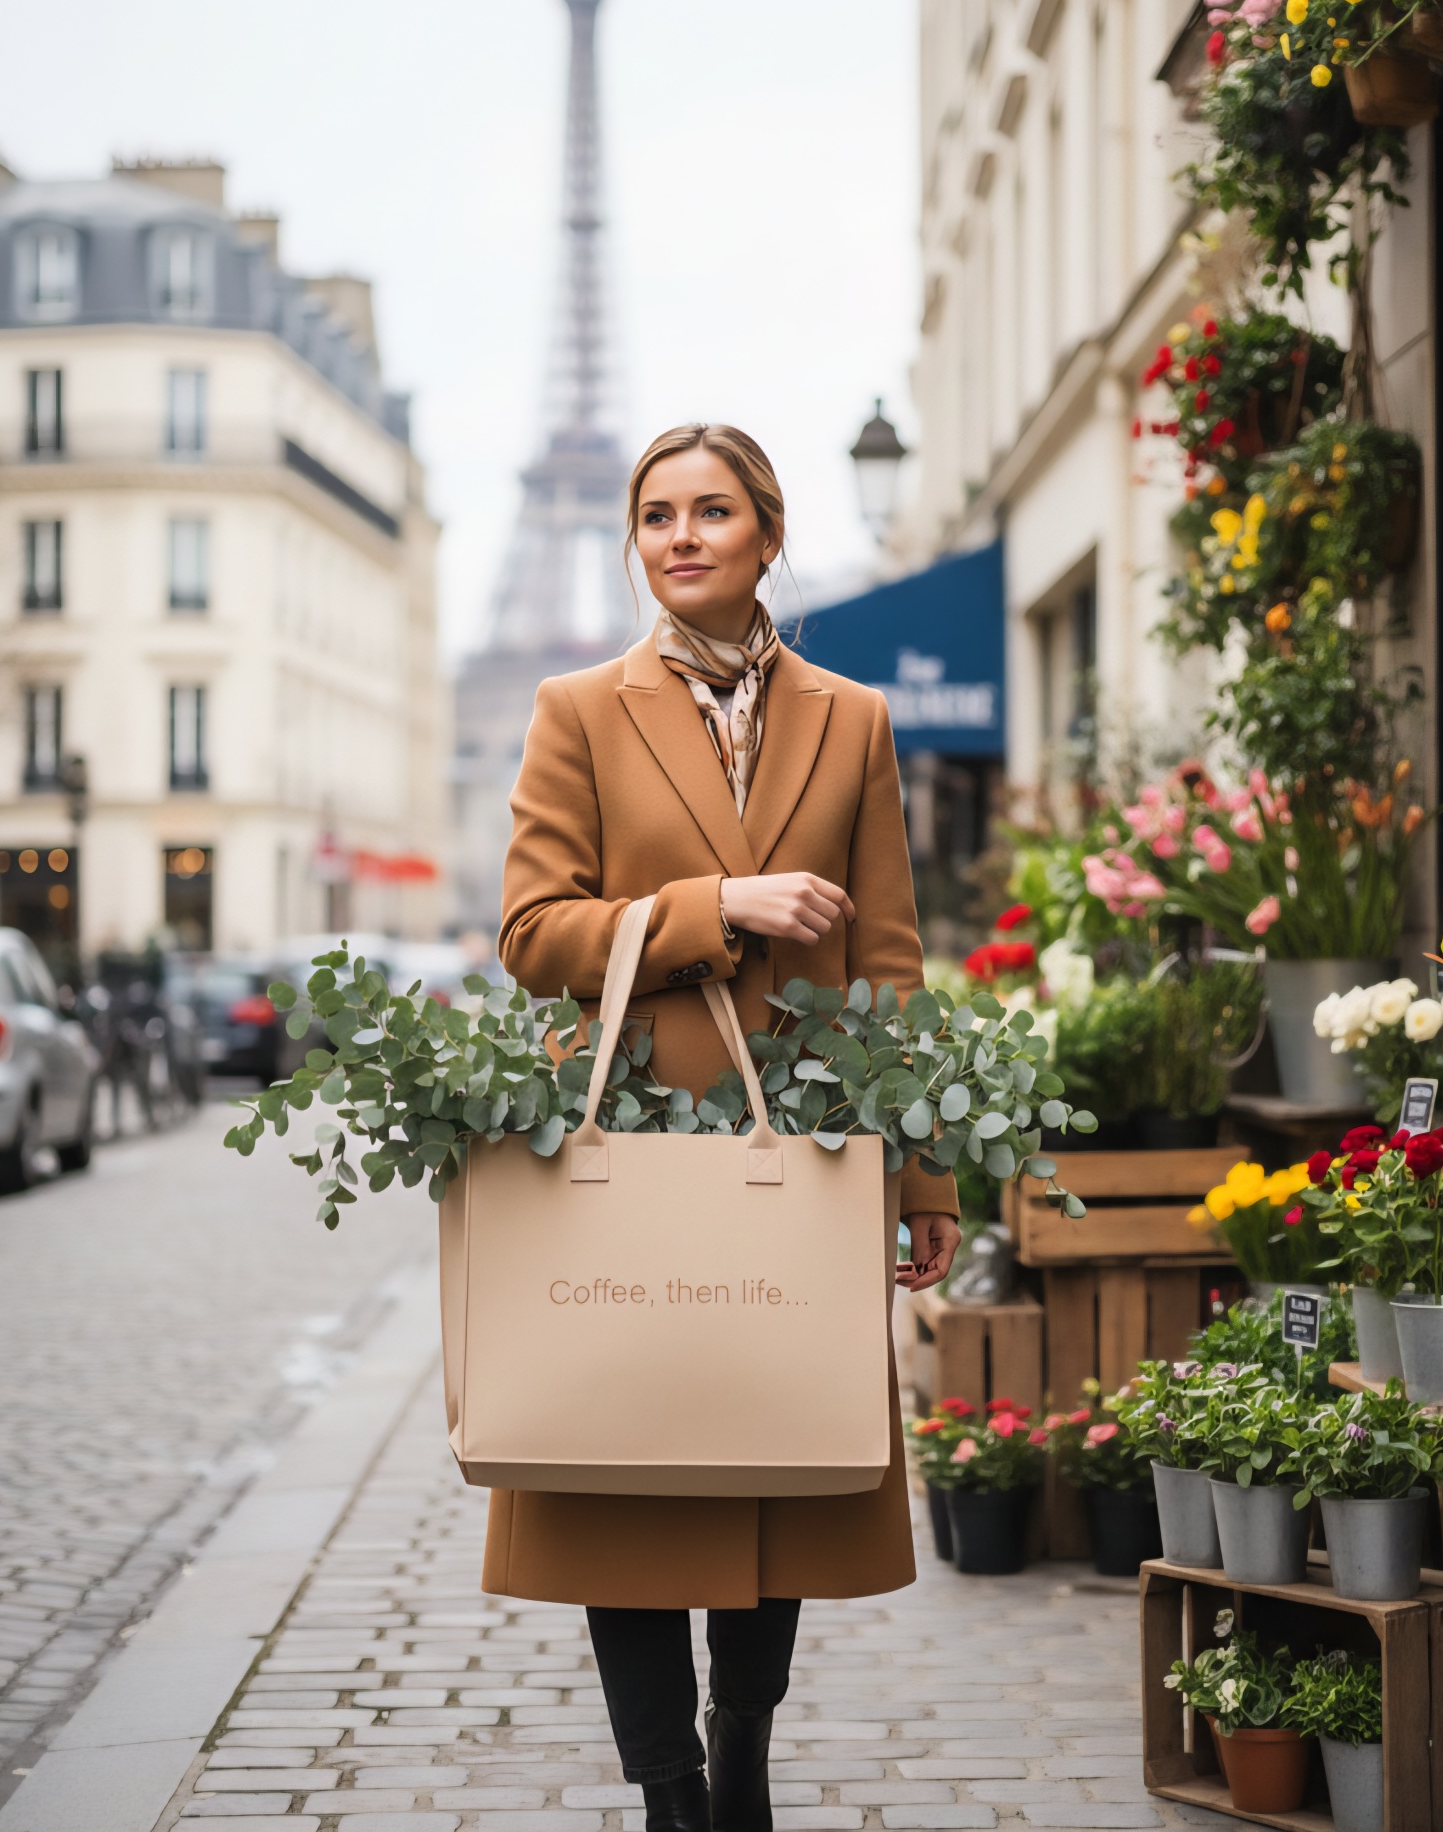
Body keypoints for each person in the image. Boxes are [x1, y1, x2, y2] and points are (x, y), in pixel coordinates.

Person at [491, 422, 962, 1832]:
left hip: (806, 1149)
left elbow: (891, 959)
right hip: (635, 1142)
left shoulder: (852, 719)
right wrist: (721, 908)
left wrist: (925, 1176)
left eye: (709, 512)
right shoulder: (578, 708)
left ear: (766, 531)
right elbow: (529, 933)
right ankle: (671, 1793)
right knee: (617, 1476)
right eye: (655, 517)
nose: (679, 537)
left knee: (784, 1464)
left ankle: (741, 1755)